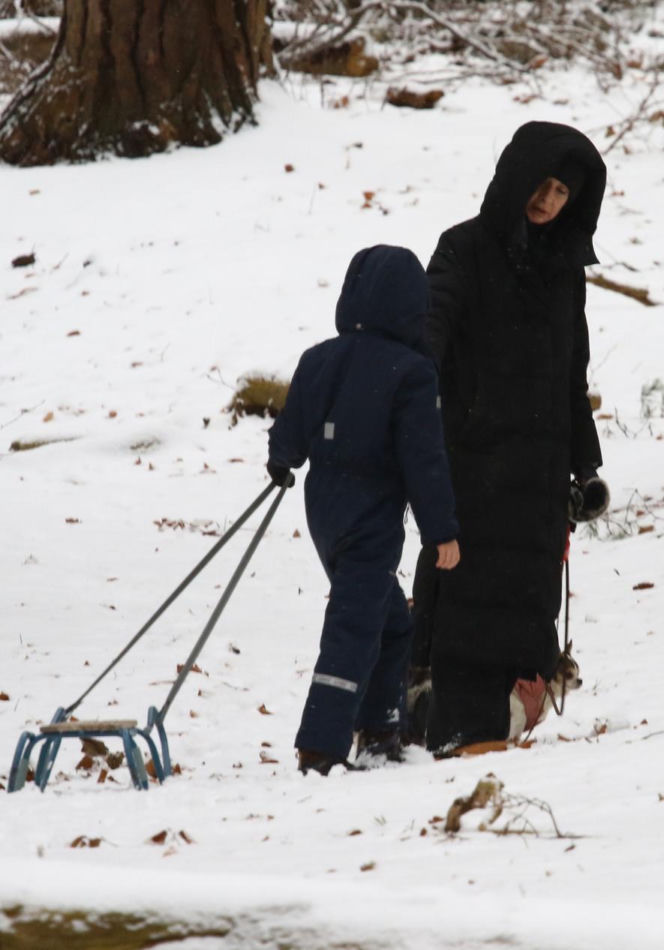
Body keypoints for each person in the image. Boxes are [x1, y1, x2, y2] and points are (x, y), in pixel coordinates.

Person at [411, 121, 609, 756]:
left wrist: (585, 467)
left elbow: (571, 375)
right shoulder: (464, 248)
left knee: (527, 596)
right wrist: (414, 392)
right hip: (474, 458)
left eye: (563, 192)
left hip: (542, 467)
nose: (549, 201)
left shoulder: (564, 270)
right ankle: (438, 715)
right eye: (543, 185)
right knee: (464, 589)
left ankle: (506, 715)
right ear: (516, 177)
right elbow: (431, 325)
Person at [267, 244, 460, 775]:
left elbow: (291, 433)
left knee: (393, 624)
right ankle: (321, 748)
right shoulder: (412, 372)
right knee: (353, 628)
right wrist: (441, 530)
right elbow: (424, 460)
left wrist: (281, 461)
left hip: (324, 516)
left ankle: (379, 731)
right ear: (413, 309)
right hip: (371, 518)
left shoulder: (318, 358)